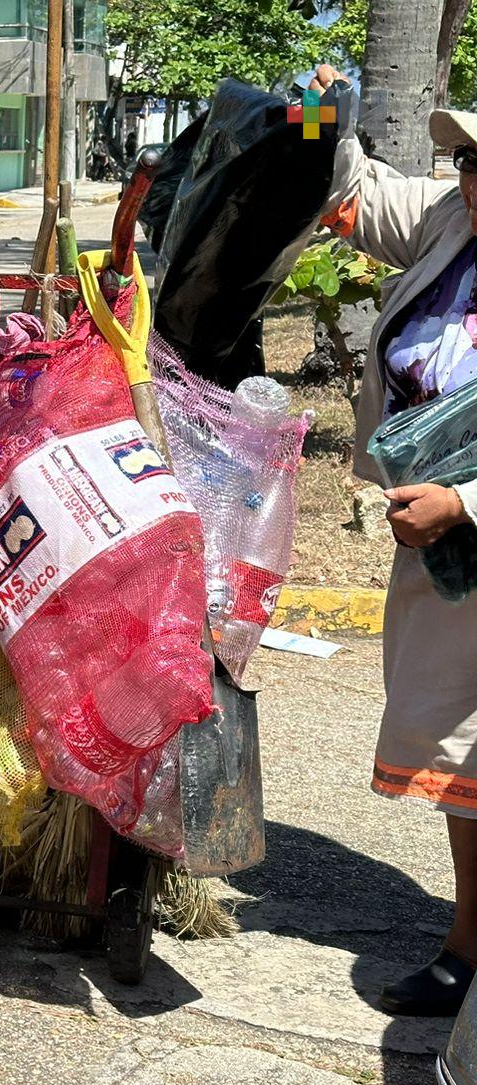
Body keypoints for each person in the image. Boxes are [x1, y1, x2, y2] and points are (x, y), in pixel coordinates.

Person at [312, 64, 477, 1015]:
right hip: (445, 558)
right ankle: (470, 947)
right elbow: (349, 188)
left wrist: (466, 503)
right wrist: (316, 114)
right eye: (470, 162)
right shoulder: (451, 219)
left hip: (459, 520)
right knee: (463, 753)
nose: (475, 181)